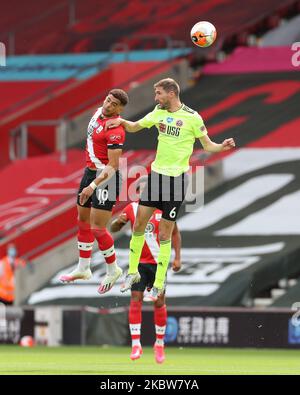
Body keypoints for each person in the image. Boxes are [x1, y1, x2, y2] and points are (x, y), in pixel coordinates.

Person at [106, 78, 236, 298]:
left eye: (158, 93)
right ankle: (133, 273)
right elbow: (136, 126)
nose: (155, 98)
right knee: (138, 224)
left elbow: (207, 145)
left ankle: (158, 283)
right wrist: (119, 121)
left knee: (165, 233)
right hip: (156, 177)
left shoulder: (192, 118)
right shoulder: (158, 113)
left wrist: (222, 146)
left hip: (176, 182)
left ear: (171, 93)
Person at [60, 89, 129, 294]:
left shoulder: (115, 130)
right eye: (108, 99)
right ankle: (83, 268)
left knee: (98, 228)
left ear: (120, 109)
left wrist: (92, 186)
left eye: (113, 104)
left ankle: (113, 269)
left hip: (106, 178)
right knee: (82, 220)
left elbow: (114, 165)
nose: (108, 105)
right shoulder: (98, 112)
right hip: (89, 173)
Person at [110, 176, 181, 363]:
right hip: (139, 264)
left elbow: (175, 232)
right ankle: (136, 344)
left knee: (158, 302)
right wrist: (118, 223)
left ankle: (159, 344)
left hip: (159, 263)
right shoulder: (132, 209)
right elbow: (114, 227)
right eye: (142, 190)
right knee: (136, 299)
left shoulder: (164, 208)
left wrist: (178, 257)